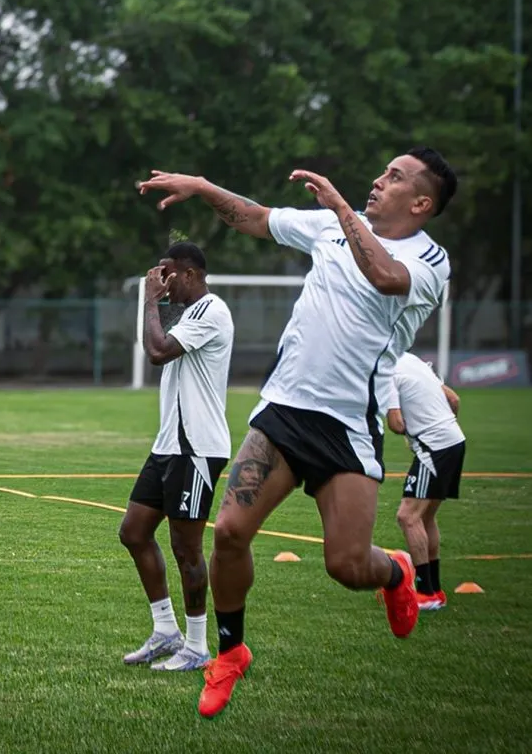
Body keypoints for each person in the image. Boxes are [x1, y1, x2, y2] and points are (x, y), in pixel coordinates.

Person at [138, 147, 457, 718]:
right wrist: (203, 186)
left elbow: (385, 277)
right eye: (382, 171)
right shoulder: (328, 228)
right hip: (283, 411)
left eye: (394, 177)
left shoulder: (429, 259)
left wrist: (340, 208)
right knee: (229, 532)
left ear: (421, 203)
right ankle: (230, 653)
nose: (378, 180)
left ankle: (397, 571)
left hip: (347, 426)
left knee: (347, 566)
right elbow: (257, 217)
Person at [120, 243, 234, 672]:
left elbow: (157, 351)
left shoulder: (211, 311)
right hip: (168, 445)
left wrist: (150, 300)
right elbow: (155, 342)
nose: (163, 283)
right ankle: (166, 631)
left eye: (169, 274)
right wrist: (155, 300)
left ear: (190, 274)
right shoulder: (186, 311)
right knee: (134, 532)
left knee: (187, 549)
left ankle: (198, 645)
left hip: (197, 448)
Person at [386, 351, 465, 611]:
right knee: (425, 517)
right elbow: (453, 398)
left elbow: (397, 424)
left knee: (408, 516)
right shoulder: (412, 360)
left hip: (434, 447)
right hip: (454, 440)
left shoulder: (386, 371)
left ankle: (425, 592)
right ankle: (435, 590)